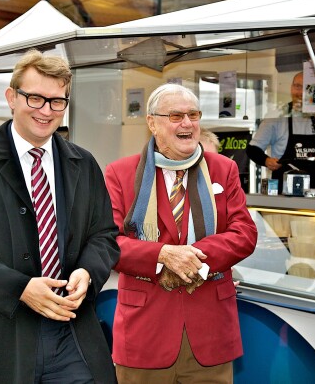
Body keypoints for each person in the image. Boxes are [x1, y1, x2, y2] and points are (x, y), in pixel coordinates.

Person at [0, 49, 120, 383]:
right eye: (35, 98)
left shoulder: (83, 164)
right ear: (11, 97)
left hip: (69, 334)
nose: (46, 111)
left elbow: (103, 235)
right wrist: (20, 288)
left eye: (57, 101)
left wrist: (88, 270)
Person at [105, 83, 257, 383]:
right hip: (145, 334)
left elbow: (244, 233)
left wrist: (193, 258)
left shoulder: (223, 169)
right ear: (152, 123)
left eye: (193, 115)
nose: (187, 123)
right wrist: (162, 255)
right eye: (175, 116)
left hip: (210, 334)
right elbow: (108, 242)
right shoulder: (120, 173)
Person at [246, 72, 315, 192]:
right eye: (297, 86)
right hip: (283, 192)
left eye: (306, 88)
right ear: (291, 88)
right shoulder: (276, 116)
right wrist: (266, 160)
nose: (300, 92)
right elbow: (252, 150)